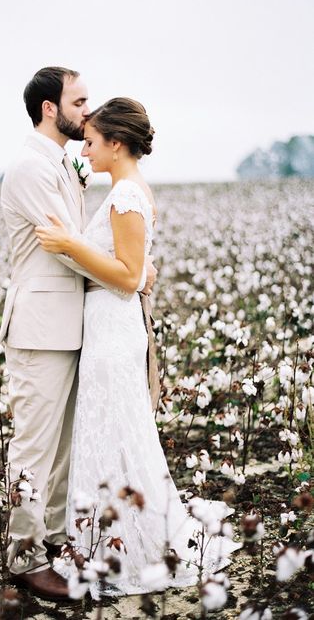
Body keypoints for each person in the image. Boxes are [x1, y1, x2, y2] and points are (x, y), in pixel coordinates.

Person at [35, 97, 242, 597]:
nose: (84, 149)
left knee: (114, 429)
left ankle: (123, 545)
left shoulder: (126, 195)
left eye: (90, 141)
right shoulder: (126, 190)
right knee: (117, 430)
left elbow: (128, 278)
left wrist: (70, 245)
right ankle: (114, 535)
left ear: (116, 143)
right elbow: (140, 269)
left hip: (112, 326)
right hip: (108, 324)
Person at [0, 69, 156, 601]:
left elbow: (87, 243)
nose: (88, 112)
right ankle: (22, 557)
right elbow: (62, 244)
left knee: (63, 447)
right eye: (80, 101)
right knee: (34, 448)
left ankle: (57, 542)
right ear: (49, 108)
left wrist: (131, 268)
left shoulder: (64, 164)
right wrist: (133, 274)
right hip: (42, 327)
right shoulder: (29, 167)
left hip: (75, 325)